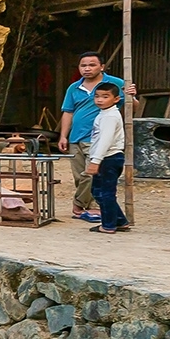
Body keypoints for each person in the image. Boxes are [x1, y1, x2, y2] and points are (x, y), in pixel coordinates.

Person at [58, 51, 124, 223]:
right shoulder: (74, 87)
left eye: (92, 65)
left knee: (91, 174)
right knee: (79, 176)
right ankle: (88, 206)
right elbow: (68, 112)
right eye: (83, 65)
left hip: (97, 138)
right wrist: (63, 136)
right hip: (75, 137)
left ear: (102, 66)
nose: (87, 68)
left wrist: (132, 95)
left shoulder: (115, 84)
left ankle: (83, 205)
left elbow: (131, 106)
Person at [85, 82, 127, 234]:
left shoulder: (110, 116)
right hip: (106, 157)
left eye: (105, 96)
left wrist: (96, 161)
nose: (100, 100)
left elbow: (105, 140)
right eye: (97, 96)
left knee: (105, 193)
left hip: (108, 157)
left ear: (116, 99)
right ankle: (119, 220)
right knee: (99, 191)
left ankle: (109, 225)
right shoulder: (104, 114)